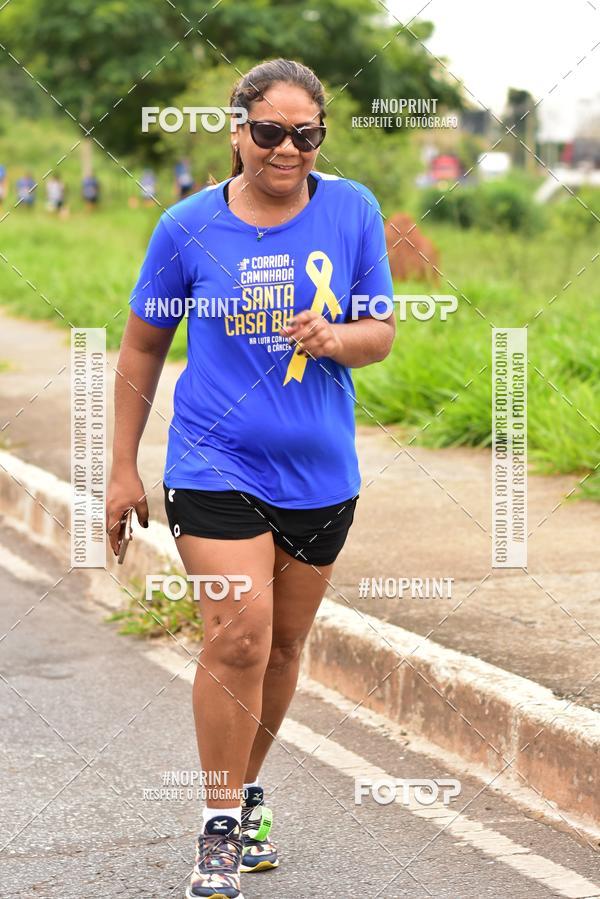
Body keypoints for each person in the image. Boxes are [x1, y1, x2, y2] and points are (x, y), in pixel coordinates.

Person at [106, 58, 394, 899]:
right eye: (268, 131)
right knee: (237, 638)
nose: (286, 150)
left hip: (320, 472)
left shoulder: (353, 210)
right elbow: (141, 349)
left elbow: (379, 329)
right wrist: (122, 466)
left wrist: (334, 336)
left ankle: (249, 786)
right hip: (212, 463)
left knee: (282, 648)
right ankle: (220, 824)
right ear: (236, 131)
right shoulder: (187, 227)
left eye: (305, 135)